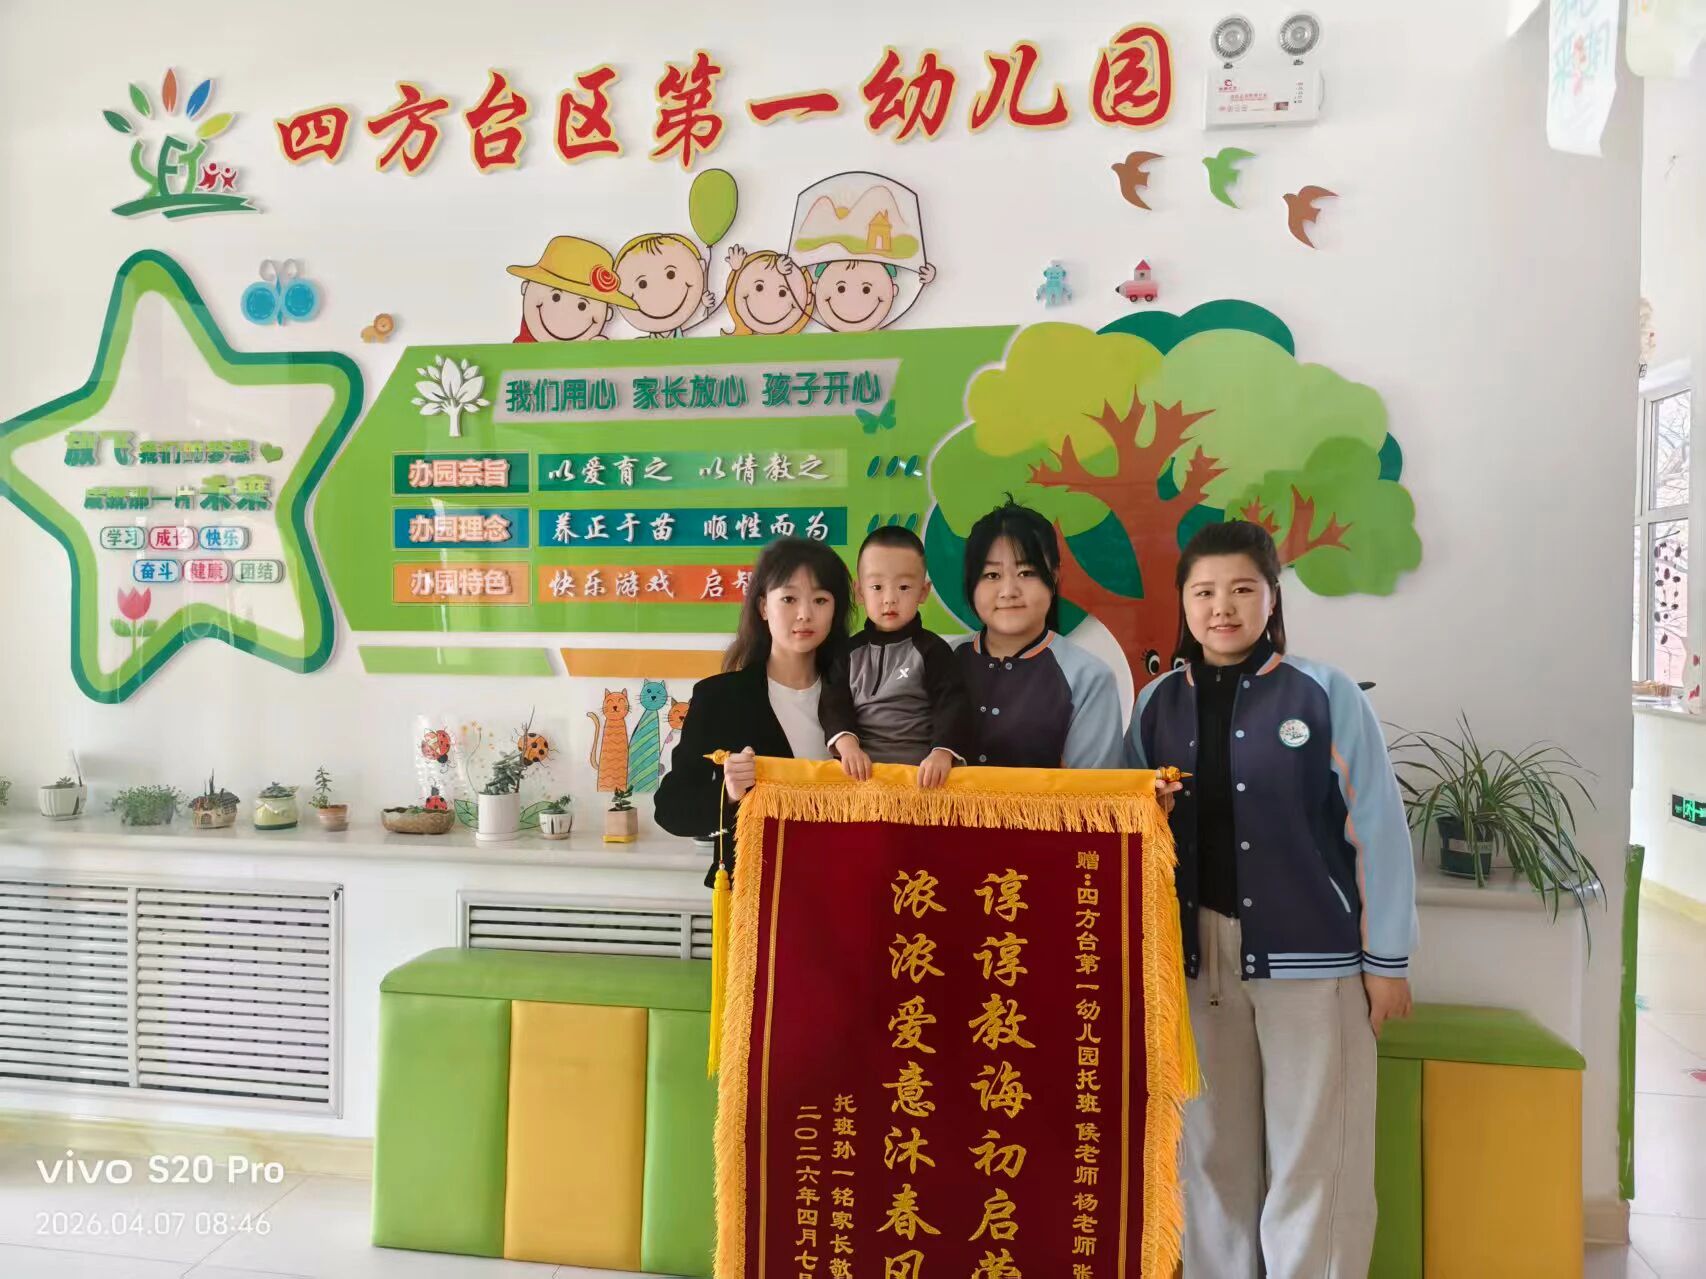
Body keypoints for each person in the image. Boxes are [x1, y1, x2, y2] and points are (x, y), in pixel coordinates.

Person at [1126, 519, 1416, 1278]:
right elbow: (1127, 827)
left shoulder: (1324, 693)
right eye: (1204, 592)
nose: (1221, 607)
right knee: (1209, 1153)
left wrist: (1387, 961)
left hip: (1313, 958)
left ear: (1272, 597)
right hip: (1194, 961)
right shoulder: (1156, 703)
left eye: (1241, 590)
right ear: (1183, 602)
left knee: (1314, 1155)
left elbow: (1377, 829)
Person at [654, 537, 854, 883]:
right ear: (763, 607)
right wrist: (729, 794)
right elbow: (671, 808)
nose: (805, 614)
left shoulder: (858, 692)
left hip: (843, 881)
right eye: (789, 599)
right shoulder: (719, 697)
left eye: (820, 600)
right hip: (757, 891)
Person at [952, 500, 1123, 770]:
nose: (1008, 591)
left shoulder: (1089, 678)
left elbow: (1095, 792)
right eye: (992, 575)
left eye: (1026, 572)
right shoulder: (939, 661)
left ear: (1053, 577)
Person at [819, 525, 975, 788]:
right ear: (860, 592)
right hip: (860, 777)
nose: (889, 599)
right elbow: (833, 704)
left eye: (903, 587)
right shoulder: (847, 653)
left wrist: (942, 753)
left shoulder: (934, 650)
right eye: (877, 587)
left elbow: (952, 706)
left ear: (923, 592)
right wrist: (847, 746)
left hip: (921, 778)